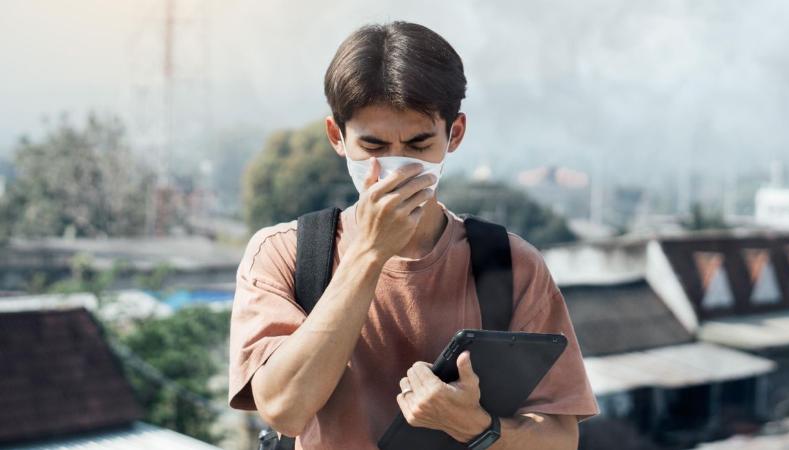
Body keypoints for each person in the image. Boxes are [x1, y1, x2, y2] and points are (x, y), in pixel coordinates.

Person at [228, 21, 599, 450]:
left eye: (419, 145)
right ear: (337, 137)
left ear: (454, 134)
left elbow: (559, 437)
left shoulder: (511, 263)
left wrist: (477, 426)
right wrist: (368, 253)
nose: (397, 166)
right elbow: (284, 409)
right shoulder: (284, 255)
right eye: (374, 147)